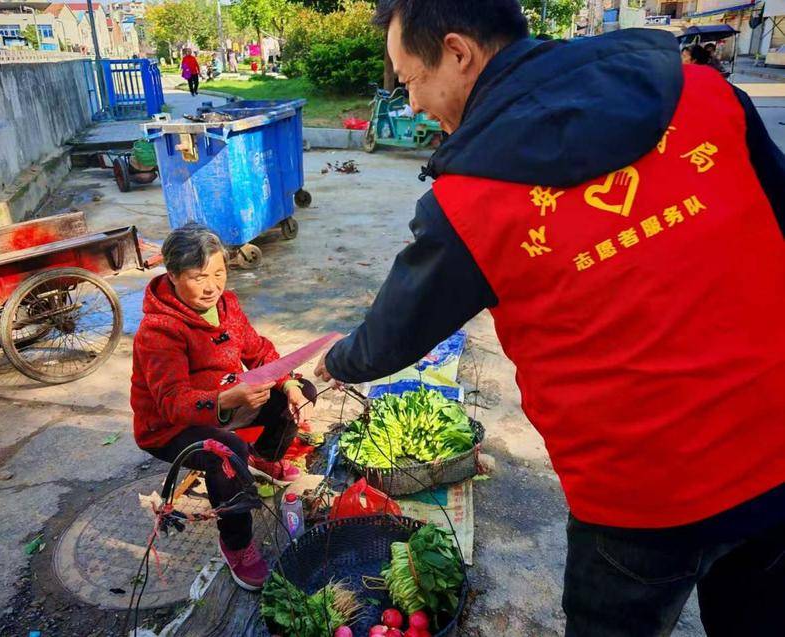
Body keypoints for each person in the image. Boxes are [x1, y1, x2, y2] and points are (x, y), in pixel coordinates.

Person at [315, 1, 785, 635]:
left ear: (458, 53)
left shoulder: (470, 203)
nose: (413, 103)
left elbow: (391, 336)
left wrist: (331, 361)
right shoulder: (707, 96)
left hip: (640, 501)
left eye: (410, 81)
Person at [131, 223, 316, 591]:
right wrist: (228, 399)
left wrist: (288, 383)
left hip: (225, 403)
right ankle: (237, 544)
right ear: (173, 276)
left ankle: (263, 458)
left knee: (298, 392)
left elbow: (258, 351)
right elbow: (172, 403)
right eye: (199, 277)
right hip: (169, 427)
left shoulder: (227, 305)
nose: (211, 286)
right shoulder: (159, 331)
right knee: (225, 453)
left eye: (218, 273)